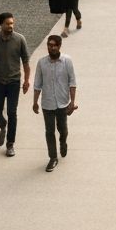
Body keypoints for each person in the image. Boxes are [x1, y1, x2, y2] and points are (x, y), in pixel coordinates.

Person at [0, 12, 31, 157]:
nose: (11, 26)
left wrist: (27, 80)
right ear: (1, 24)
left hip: (14, 82)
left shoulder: (20, 39)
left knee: (12, 112)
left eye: (12, 23)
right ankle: (3, 126)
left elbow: (26, 61)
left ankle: (10, 144)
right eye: (8, 24)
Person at [32, 34, 78, 172]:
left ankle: (63, 142)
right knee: (49, 131)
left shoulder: (67, 61)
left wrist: (72, 102)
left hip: (63, 103)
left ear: (59, 46)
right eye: (49, 45)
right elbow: (37, 84)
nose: (51, 48)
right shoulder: (41, 63)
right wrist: (35, 102)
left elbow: (72, 82)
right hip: (47, 104)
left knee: (62, 129)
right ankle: (53, 157)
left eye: (54, 45)